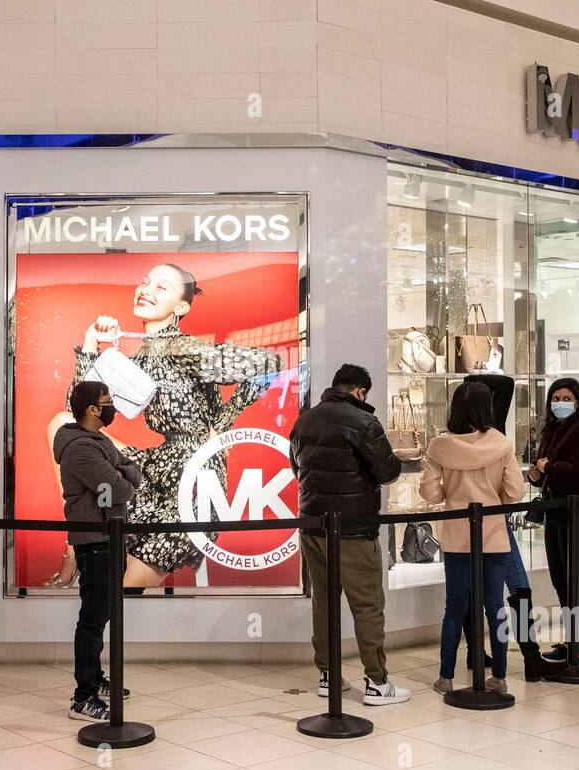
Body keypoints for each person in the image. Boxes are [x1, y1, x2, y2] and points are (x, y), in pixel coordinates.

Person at [48, 263, 280, 588]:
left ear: (181, 307)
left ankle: (86, 549)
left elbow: (269, 363)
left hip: (195, 482)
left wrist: (222, 424)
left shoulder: (183, 349)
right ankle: (76, 541)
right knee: (63, 426)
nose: (146, 289)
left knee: (121, 591)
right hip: (157, 467)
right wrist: (90, 344)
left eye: (161, 287)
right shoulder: (143, 355)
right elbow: (80, 413)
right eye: (145, 282)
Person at [290, 364, 409, 706]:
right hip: (354, 529)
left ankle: (329, 677)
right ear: (360, 391)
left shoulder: (305, 420)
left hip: (313, 526)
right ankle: (376, 682)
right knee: (367, 605)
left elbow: (297, 469)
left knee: (324, 602)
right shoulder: (364, 422)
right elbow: (386, 471)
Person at [420, 382, 524, 694]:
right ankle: (500, 676)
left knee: (455, 607)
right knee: (495, 607)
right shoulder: (501, 444)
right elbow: (515, 492)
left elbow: (429, 492)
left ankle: (446, 676)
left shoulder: (440, 446)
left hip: (456, 536)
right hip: (493, 534)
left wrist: (450, 491)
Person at [463, 374, 568, 681]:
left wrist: (469, 387)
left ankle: (474, 652)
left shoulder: (452, 438)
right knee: (518, 586)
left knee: (470, 590)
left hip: (462, 526)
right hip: (495, 522)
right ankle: (531, 657)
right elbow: (505, 383)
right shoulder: (496, 440)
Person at [54, 380, 143, 722]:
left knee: (103, 613)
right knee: (92, 619)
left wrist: (124, 471)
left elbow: (132, 469)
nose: (112, 407)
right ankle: (82, 696)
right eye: (107, 401)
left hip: (111, 535)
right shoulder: (81, 448)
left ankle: (94, 679)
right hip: (95, 540)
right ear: (92, 409)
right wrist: (123, 472)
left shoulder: (99, 441)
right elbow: (120, 487)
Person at [527, 377, 579, 667]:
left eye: (566, 398)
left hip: (576, 512)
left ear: (578, 401)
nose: (560, 403)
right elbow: (548, 472)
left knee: (576, 580)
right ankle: (572, 642)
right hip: (555, 511)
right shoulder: (553, 430)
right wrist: (538, 475)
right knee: (561, 580)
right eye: (556, 398)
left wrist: (551, 468)